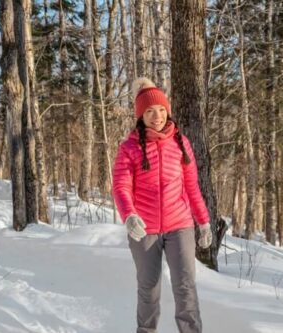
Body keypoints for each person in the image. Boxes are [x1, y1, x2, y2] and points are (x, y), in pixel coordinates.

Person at [112, 77, 212, 333]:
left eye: (160, 110)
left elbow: (191, 187)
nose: (156, 116)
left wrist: (203, 221)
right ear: (140, 115)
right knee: (149, 289)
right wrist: (129, 216)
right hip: (144, 229)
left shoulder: (181, 143)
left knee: (185, 286)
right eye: (149, 111)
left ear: (167, 110)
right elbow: (121, 186)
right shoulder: (129, 148)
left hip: (180, 225)